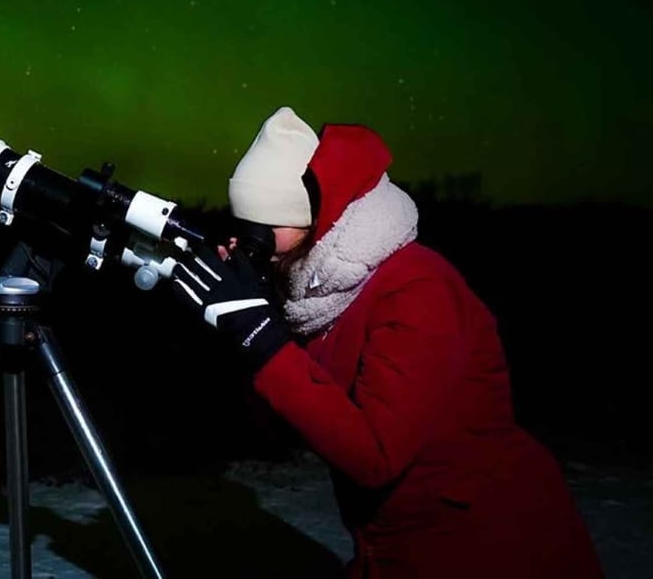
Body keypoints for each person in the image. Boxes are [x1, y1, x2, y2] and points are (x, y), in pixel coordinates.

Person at [165, 106, 602, 578]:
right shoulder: (321, 296)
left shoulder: (417, 289)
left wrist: (262, 336)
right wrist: (243, 328)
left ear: (310, 212)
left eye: (262, 224)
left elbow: (375, 456)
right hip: (394, 545)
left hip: (491, 544)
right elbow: (294, 423)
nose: (252, 239)